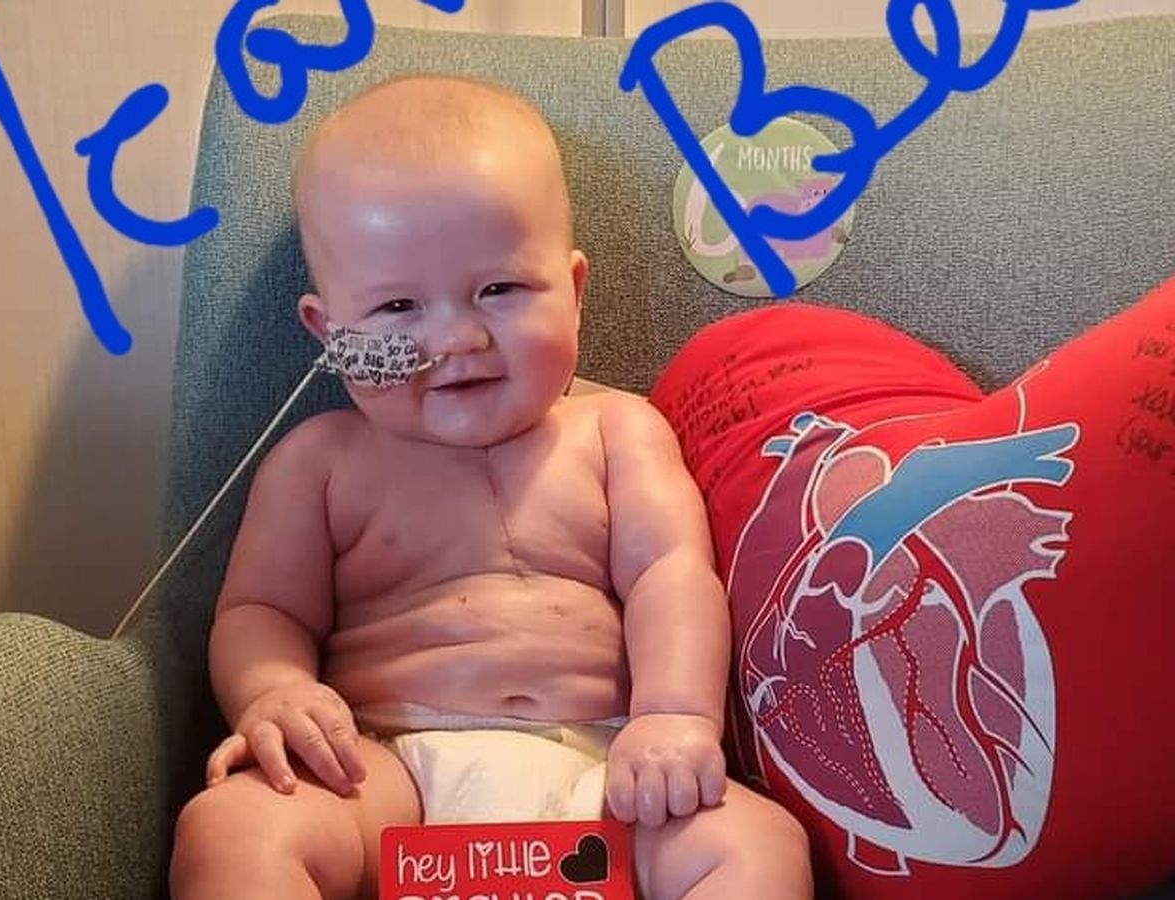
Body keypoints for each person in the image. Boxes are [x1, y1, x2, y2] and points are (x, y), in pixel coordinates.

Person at [168, 74, 811, 900]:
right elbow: (262, 610)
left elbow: (672, 574)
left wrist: (675, 715)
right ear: (328, 334)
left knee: (756, 844)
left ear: (573, 294)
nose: (457, 337)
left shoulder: (617, 432)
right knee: (231, 829)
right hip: (384, 773)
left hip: (608, 771)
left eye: (500, 291)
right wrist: (275, 691)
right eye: (397, 306)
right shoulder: (318, 462)